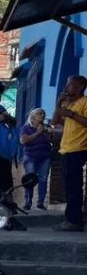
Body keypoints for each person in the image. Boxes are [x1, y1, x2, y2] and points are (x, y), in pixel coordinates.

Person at [52, 75, 87, 232]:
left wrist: (71, 114)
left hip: (78, 148)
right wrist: (58, 104)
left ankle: (74, 221)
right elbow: (55, 122)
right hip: (66, 149)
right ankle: (70, 219)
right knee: (69, 187)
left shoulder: (84, 102)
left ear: (80, 87)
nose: (67, 88)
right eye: (67, 85)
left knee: (74, 187)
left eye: (71, 85)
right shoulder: (69, 104)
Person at [19, 108, 53, 210]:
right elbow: (23, 141)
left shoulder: (46, 127)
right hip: (30, 157)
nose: (42, 115)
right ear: (33, 116)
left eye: (43, 113)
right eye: (40, 113)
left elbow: (52, 140)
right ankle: (28, 202)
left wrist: (45, 131)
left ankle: (40, 203)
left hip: (45, 157)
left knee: (43, 179)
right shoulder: (26, 128)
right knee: (30, 179)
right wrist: (37, 132)